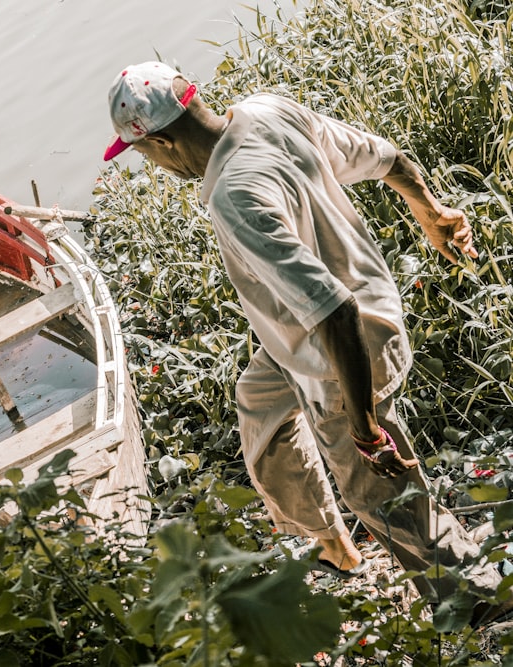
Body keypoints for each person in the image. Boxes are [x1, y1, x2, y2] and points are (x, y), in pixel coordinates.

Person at [103, 61, 511, 626]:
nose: (150, 166)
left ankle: (477, 599)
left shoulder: (232, 196)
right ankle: (327, 541)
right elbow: (387, 158)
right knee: (260, 407)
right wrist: (432, 211)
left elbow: (337, 309)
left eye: (143, 155)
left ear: (164, 143)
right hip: (301, 335)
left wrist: (364, 424)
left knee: (382, 495)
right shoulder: (266, 111)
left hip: (342, 357)